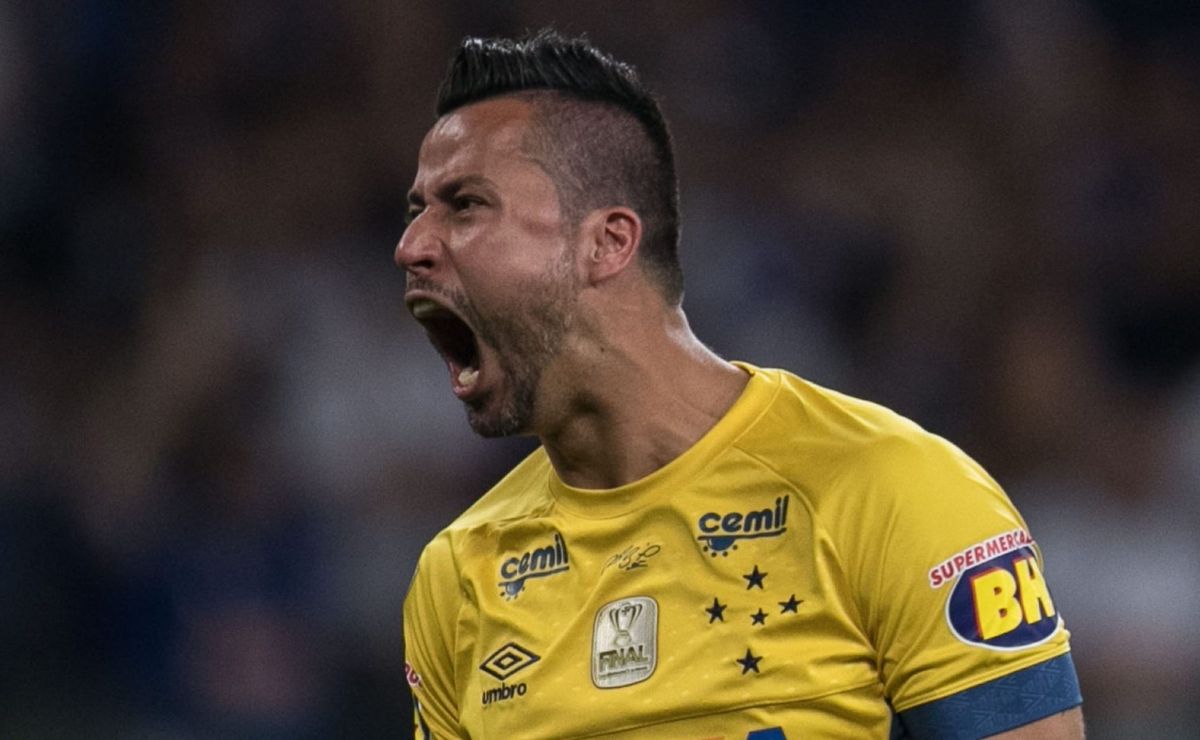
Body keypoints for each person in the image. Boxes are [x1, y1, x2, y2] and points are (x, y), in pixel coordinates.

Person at [397, 29, 1084, 739]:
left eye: (465, 204)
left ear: (607, 242)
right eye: (416, 211)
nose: (411, 246)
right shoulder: (461, 572)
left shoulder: (888, 490)